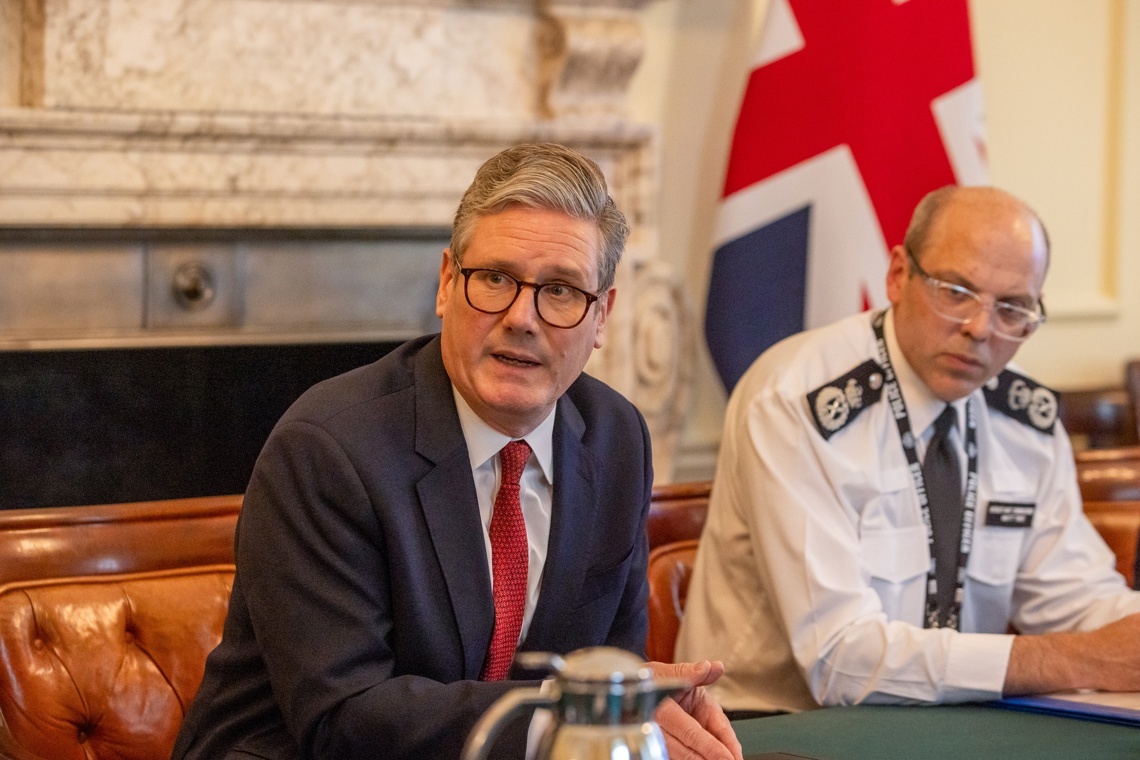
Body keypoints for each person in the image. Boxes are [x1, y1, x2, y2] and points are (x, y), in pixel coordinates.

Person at [170, 143, 742, 760]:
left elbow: (610, 663)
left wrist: (636, 706)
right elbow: (345, 718)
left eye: (561, 291)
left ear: (601, 316)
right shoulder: (327, 451)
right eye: (495, 278)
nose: (522, 318)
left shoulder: (615, 439)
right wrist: (562, 720)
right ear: (447, 283)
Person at [676, 186, 1140, 715]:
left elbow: (1078, 600)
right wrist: (1081, 661)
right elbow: (839, 661)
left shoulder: (1023, 417)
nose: (980, 329)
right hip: (772, 727)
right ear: (898, 275)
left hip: (951, 721)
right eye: (956, 291)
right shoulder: (794, 399)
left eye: (1013, 308)